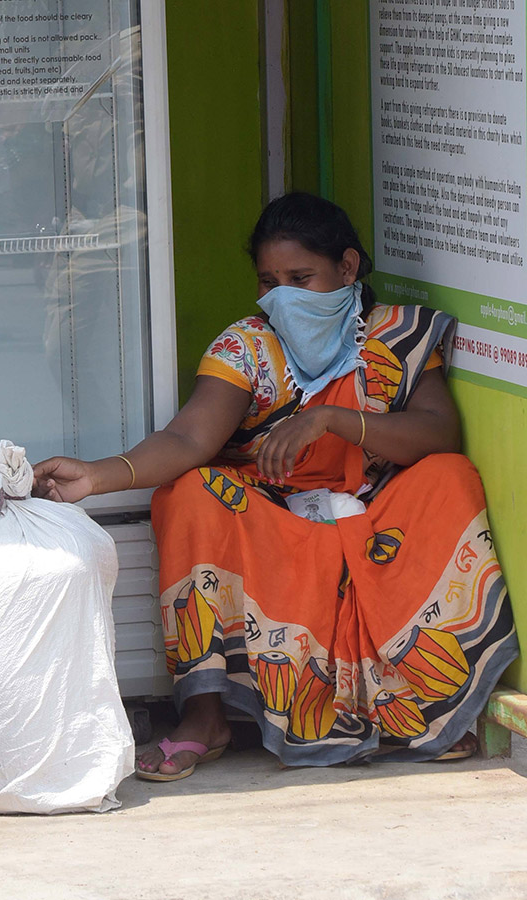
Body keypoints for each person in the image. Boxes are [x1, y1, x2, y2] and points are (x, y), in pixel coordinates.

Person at [32, 193, 517, 779]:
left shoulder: (397, 335)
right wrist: (98, 475)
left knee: (449, 477)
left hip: (372, 519)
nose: (281, 295)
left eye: (300, 278)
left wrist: (335, 420)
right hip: (276, 518)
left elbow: (440, 433)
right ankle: (204, 717)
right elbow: (189, 440)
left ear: (347, 268)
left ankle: (419, 711)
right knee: (190, 494)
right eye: (268, 281)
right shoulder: (246, 347)